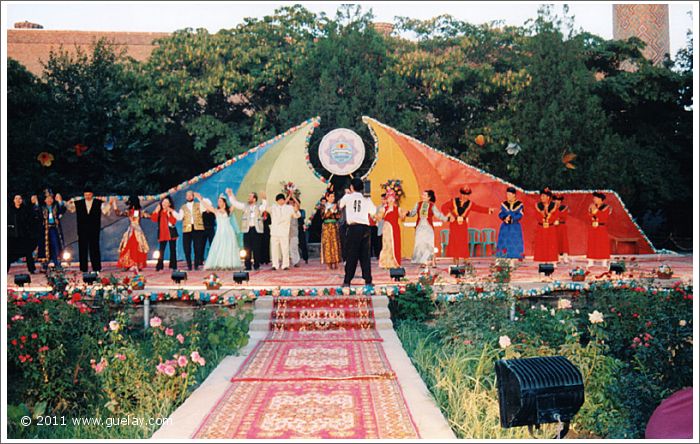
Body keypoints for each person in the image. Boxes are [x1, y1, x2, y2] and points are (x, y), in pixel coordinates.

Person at [65, 186, 112, 272]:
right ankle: (83, 268)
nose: (87, 196)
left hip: (94, 229)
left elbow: (105, 211)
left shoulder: (98, 202)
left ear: (92, 195)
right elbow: (71, 209)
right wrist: (68, 203)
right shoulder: (79, 203)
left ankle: (97, 267)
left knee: (94, 248)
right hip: (82, 229)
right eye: (86, 195)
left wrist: (109, 203)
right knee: (82, 248)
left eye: (89, 194)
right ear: (84, 195)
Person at [339, 178, 377, 286]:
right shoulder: (366, 199)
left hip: (353, 228)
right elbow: (373, 211)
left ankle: (347, 281)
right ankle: (368, 280)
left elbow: (340, 205)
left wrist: (347, 194)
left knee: (351, 254)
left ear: (352, 187)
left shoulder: (347, 197)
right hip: (365, 228)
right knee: (365, 255)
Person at [443, 186, 494, 264]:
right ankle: (455, 258)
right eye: (463, 194)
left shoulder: (470, 204)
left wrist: (488, 210)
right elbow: (443, 207)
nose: (465, 196)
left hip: (463, 225)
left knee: (463, 241)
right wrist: (451, 216)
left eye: (467, 195)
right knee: (454, 241)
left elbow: (478, 208)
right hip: (454, 224)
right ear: (461, 194)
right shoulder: (453, 201)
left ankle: (465, 258)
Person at [197, 191, 242, 270]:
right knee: (218, 246)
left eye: (220, 201)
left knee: (228, 247)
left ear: (224, 202)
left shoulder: (229, 211)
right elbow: (207, 206)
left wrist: (231, 194)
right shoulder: (216, 211)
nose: (218, 202)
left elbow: (235, 203)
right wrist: (200, 199)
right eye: (218, 201)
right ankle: (219, 263)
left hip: (228, 231)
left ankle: (228, 264)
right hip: (220, 232)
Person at [227, 189, 267, 271]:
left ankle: (256, 265)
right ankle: (247, 265)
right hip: (247, 230)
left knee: (257, 248)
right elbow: (236, 204)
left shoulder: (259, 206)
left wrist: (264, 199)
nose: (248, 198)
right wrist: (230, 195)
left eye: (250, 196)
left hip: (256, 230)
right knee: (247, 248)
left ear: (254, 199)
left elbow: (264, 207)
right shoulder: (245, 206)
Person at [406, 190, 448, 266]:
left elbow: (438, 214)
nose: (423, 196)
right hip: (420, 227)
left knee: (429, 244)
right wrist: (407, 213)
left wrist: (447, 219)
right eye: (423, 195)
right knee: (420, 244)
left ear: (429, 197)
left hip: (428, 227)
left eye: (425, 195)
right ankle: (423, 262)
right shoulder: (418, 204)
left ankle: (433, 261)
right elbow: (412, 213)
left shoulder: (432, 205)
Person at [175, 190, 211, 271]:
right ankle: (189, 265)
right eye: (187, 195)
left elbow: (208, 205)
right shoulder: (183, 207)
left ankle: (196, 265)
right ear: (185, 197)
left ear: (193, 196)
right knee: (187, 248)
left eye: (190, 195)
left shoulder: (199, 205)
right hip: (187, 229)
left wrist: (200, 198)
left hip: (197, 229)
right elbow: (179, 217)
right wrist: (172, 211)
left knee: (197, 247)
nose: (189, 196)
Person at [113, 195, 150, 272]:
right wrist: (114, 205)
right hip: (132, 230)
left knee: (134, 246)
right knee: (130, 246)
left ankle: (134, 264)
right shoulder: (133, 211)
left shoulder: (136, 211)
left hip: (135, 230)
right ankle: (130, 264)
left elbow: (134, 218)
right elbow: (119, 213)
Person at [269, 193, 301, 270]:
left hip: (284, 232)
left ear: (284, 200)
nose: (281, 201)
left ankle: (285, 265)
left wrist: (292, 198)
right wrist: (264, 199)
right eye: (279, 200)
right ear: (276, 201)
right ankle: (275, 265)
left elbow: (297, 213)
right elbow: (264, 208)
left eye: (282, 199)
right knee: (274, 249)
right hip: (274, 232)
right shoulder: (273, 207)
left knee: (285, 249)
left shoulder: (289, 208)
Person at [8, 194, 37, 273]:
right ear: (14, 200)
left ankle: (32, 269)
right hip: (13, 236)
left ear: (21, 200)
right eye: (16, 198)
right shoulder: (9, 210)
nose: (18, 200)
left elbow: (30, 220)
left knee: (28, 253)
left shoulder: (25, 210)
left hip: (23, 235)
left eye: (19, 198)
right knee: (8, 253)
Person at [39, 191, 67, 269]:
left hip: (55, 228)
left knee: (56, 245)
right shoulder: (42, 208)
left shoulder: (56, 206)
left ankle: (57, 262)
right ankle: (45, 263)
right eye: (47, 199)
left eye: (51, 198)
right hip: (45, 229)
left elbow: (63, 209)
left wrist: (60, 201)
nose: (49, 200)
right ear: (45, 200)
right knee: (45, 246)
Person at [150, 195, 179, 271]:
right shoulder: (159, 212)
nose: (164, 204)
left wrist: (169, 214)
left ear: (169, 204)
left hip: (171, 232)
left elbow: (173, 222)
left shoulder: (171, 211)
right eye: (163, 202)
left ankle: (173, 265)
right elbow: (154, 219)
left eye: (166, 202)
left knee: (173, 249)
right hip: (162, 233)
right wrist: (156, 210)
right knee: (161, 250)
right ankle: (159, 265)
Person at [377, 189, 404, 269]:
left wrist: (404, 214)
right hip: (387, 228)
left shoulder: (398, 209)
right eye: (389, 198)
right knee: (387, 245)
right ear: (387, 199)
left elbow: (402, 218)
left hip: (395, 228)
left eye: (392, 197)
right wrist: (375, 216)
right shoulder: (383, 209)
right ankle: (385, 262)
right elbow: (379, 218)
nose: (391, 199)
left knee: (395, 245)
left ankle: (395, 263)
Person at [496, 187, 524, 260]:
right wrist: (505, 218)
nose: (508, 196)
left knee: (514, 242)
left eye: (509, 194)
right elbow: (500, 213)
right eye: (507, 194)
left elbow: (520, 215)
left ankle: (514, 258)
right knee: (504, 242)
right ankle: (502, 257)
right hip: (505, 226)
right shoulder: (504, 204)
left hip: (515, 227)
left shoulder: (519, 204)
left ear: (514, 195)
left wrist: (512, 218)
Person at [533, 188, 559, 265]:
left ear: (548, 197)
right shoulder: (538, 206)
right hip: (541, 227)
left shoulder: (554, 205)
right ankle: (541, 260)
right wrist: (543, 219)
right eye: (541, 196)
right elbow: (537, 216)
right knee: (541, 244)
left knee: (551, 244)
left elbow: (556, 215)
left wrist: (549, 220)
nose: (542, 198)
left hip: (550, 227)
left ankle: (553, 261)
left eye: (544, 196)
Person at [587, 191, 612, 268]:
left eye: (596, 198)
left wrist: (596, 213)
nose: (594, 199)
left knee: (602, 244)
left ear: (600, 199)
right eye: (594, 198)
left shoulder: (606, 207)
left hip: (601, 227)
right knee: (592, 244)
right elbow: (588, 215)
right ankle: (591, 261)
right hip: (593, 227)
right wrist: (592, 218)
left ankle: (604, 261)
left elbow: (604, 216)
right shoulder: (591, 206)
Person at [320, 191, 342, 270]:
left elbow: (339, 215)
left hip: (334, 226)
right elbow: (323, 216)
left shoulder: (336, 205)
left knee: (335, 243)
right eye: (331, 197)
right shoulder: (323, 206)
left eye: (333, 197)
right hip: (326, 227)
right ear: (327, 197)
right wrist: (331, 210)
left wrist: (336, 211)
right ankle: (328, 263)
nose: (333, 198)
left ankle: (336, 262)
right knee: (327, 244)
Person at [553, 194, 570, 264]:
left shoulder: (564, 208)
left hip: (562, 226)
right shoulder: (552, 208)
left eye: (559, 200)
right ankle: (557, 257)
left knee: (564, 242)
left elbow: (564, 217)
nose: (557, 202)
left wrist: (558, 220)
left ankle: (565, 257)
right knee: (555, 241)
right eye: (556, 200)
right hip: (554, 227)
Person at [338, 187, 351, 262]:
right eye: (346, 193)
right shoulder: (341, 201)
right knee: (343, 241)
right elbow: (339, 206)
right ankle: (345, 258)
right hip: (343, 223)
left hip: (351, 223)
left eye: (348, 193)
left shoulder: (353, 200)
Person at [289, 195, 302, 267]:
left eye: (292, 202)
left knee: (294, 246)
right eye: (289, 202)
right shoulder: (285, 209)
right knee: (286, 247)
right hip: (285, 230)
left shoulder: (295, 210)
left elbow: (298, 205)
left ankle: (296, 261)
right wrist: (289, 195)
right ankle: (288, 261)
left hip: (294, 231)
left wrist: (293, 196)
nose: (290, 203)